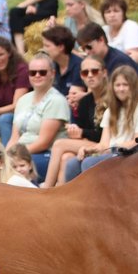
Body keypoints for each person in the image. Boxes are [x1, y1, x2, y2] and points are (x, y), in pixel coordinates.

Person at [63, 64, 138, 181]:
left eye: (125, 85)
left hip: (129, 155)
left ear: (133, 86)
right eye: (117, 85)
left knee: (89, 164)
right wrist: (89, 149)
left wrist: (112, 148)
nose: (121, 89)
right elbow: (104, 144)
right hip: (111, 152)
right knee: (72, 164)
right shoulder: (111, 110)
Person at [4, 52, 69, 183]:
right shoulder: (23, 100)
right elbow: (14, 137)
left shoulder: (57, 100)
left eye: (42, 72)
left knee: (17, 169)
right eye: (32, 73)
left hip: (44, 154)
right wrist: (6, 155)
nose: (37, 75)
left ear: (52, 74)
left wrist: (16, 156)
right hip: (21, 153)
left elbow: (43, 142)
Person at [45, 54, 108, 187]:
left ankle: (47, 189)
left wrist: (82, 132)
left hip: (107, 144)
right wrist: (76, 131)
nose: (90, 75)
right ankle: (60, 194)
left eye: (94, 71)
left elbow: (106, 134)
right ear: (81, 76)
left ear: (104, 73)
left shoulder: (112, 98)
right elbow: (83, 130)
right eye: (85, 72)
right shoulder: (85, 101)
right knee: (66, 157)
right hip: (89, 144)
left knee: (59, 144)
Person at [75, 22, 138, 100]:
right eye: (83, 49)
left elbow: (120, 91)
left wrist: (86, 97)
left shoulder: (119, 61)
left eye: (89, 47)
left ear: (101, 40)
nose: (87, 51)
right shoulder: (92, 61)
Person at [39, 25, 85, 98]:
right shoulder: (52, 65)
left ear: (61, 47)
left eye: (47, 46)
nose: (44, 49)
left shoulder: (79, 66)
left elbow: (73, 97)